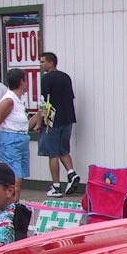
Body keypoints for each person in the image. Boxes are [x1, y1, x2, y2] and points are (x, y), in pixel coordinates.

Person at [0, 68, 37, 202]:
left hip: (21, 138)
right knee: (14, 179)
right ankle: (10, 207)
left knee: (19, 177)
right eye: (26, 80)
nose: (27, 84)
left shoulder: (19, 101)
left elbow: (26, 125)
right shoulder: (8, 100)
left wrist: (40, 114)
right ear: (22, 81)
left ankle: (14, 204)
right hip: (10, 140)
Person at [34, 51, 81, 197]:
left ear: (51, 63)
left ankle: (56, 186)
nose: (41, 65)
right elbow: (71, 97)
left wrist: (39, 122)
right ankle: (72, 173)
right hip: (68, 118)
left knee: (52, 153)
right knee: (63, 150)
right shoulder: (66, 77)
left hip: (52, 120)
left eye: (43, 62)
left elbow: (44, 102)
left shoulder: (47, 78)